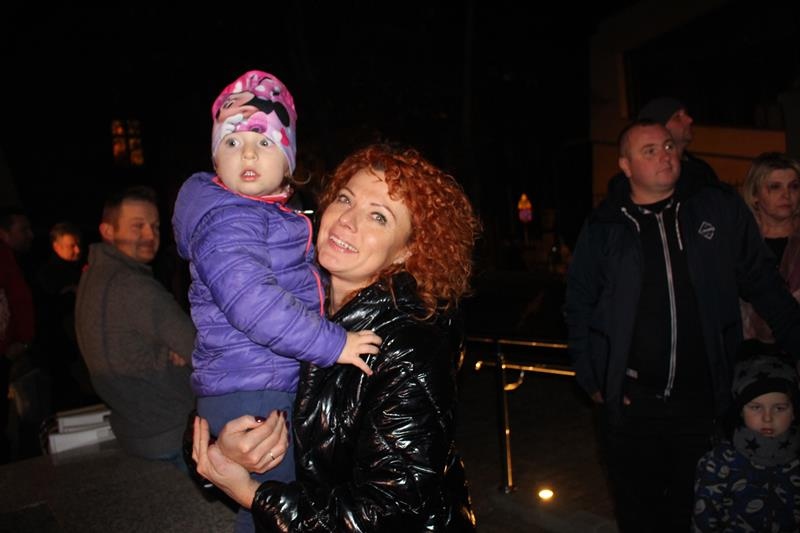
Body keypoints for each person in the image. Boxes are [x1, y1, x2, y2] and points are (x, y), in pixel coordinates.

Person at [191, 143, 479, 532]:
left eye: (378, 216)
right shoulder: (278, 300)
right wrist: (222, 448)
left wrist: (252, 494)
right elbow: (218, 386)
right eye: (345, 199)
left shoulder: (409, 348)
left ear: (406, 252)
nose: (347, 221)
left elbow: (392, 510)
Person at [564, 119, 800, 533]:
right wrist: (593, 377)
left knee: (692, 511)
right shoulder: (605, 227)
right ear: (625, 165)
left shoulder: (715, 208)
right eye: (650, 150)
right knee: (639, 513)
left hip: (702, 399)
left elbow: (763, 281)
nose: (665, 155)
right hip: (632, 402)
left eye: (669, 146)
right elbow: (579, 304)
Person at [172, 70, 380, 532]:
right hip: (255, 386)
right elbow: (254, 304)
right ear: (215, 159)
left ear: (287, 162)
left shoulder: (264, 217)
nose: (247, 153)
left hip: (256, 380)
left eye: (264, 142)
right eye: (232, 142)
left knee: (270, 504)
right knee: (273, 506)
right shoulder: (228, 221)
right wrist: (335, 343)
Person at [75, 186, 195, 468]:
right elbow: (198, 349)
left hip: (133, 427)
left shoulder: (94, 277)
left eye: (155, 226)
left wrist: (170, 347)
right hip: (168, 429)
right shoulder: (134, 286)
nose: (150, 236)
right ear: (108, 231)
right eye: (137, 226)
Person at [693, 350, 800, 531]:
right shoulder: (719, 463)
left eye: (779, 408)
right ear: (741, 411)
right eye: (756, 407)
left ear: (794, 412)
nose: (767, 418)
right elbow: (703, 521)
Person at [740, 152, 800, 343]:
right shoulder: (739, 242)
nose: (786, 195)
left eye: (794, 186)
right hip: (747, 350)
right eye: (775, 187)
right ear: (755, 195)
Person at [34, 221, 92, 411]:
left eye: (78, 245)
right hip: (66, 351)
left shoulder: (85, 269)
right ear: (56, 246)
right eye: (71, 246)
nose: (77, 250)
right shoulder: (49, 275)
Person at [0, 207, 35, 462]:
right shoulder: (4, 259)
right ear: (4, 233)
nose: (30, 235)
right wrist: (17, 342)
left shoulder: (12, 258)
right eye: (23, 230)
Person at [637, 96, 719, 184]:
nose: (689, 120)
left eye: (686, 114)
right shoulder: (652, 173)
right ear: (659, 128)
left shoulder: (701, 169)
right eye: (677, 117)